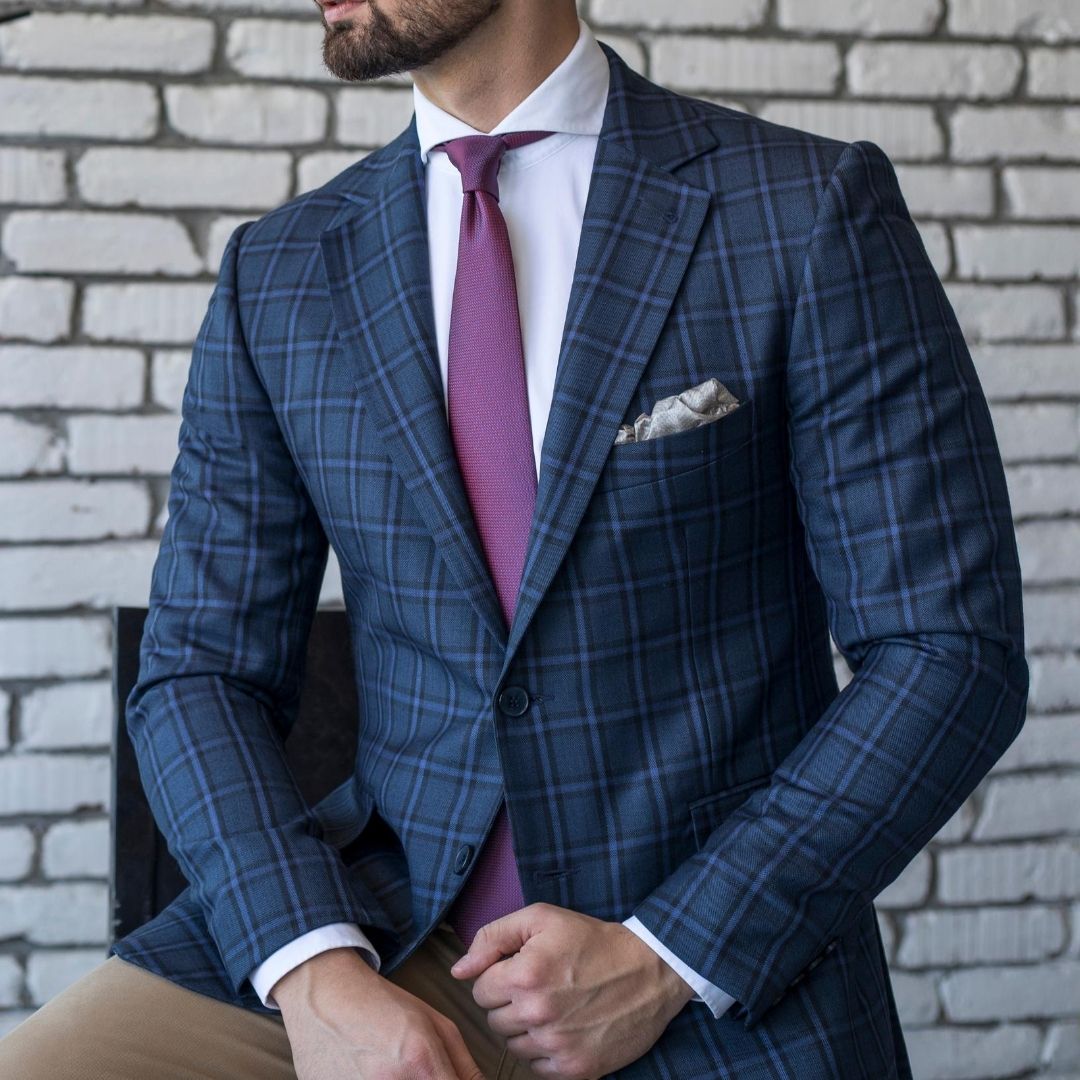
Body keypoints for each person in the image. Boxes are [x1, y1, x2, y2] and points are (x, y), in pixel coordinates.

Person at [0, 0, 1029, 1077]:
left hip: (697, 943)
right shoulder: (283, 270)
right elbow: (200, 670)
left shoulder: (801, 208)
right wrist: (314, 971)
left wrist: (668, 954)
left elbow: (950, 651)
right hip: (392, 923)